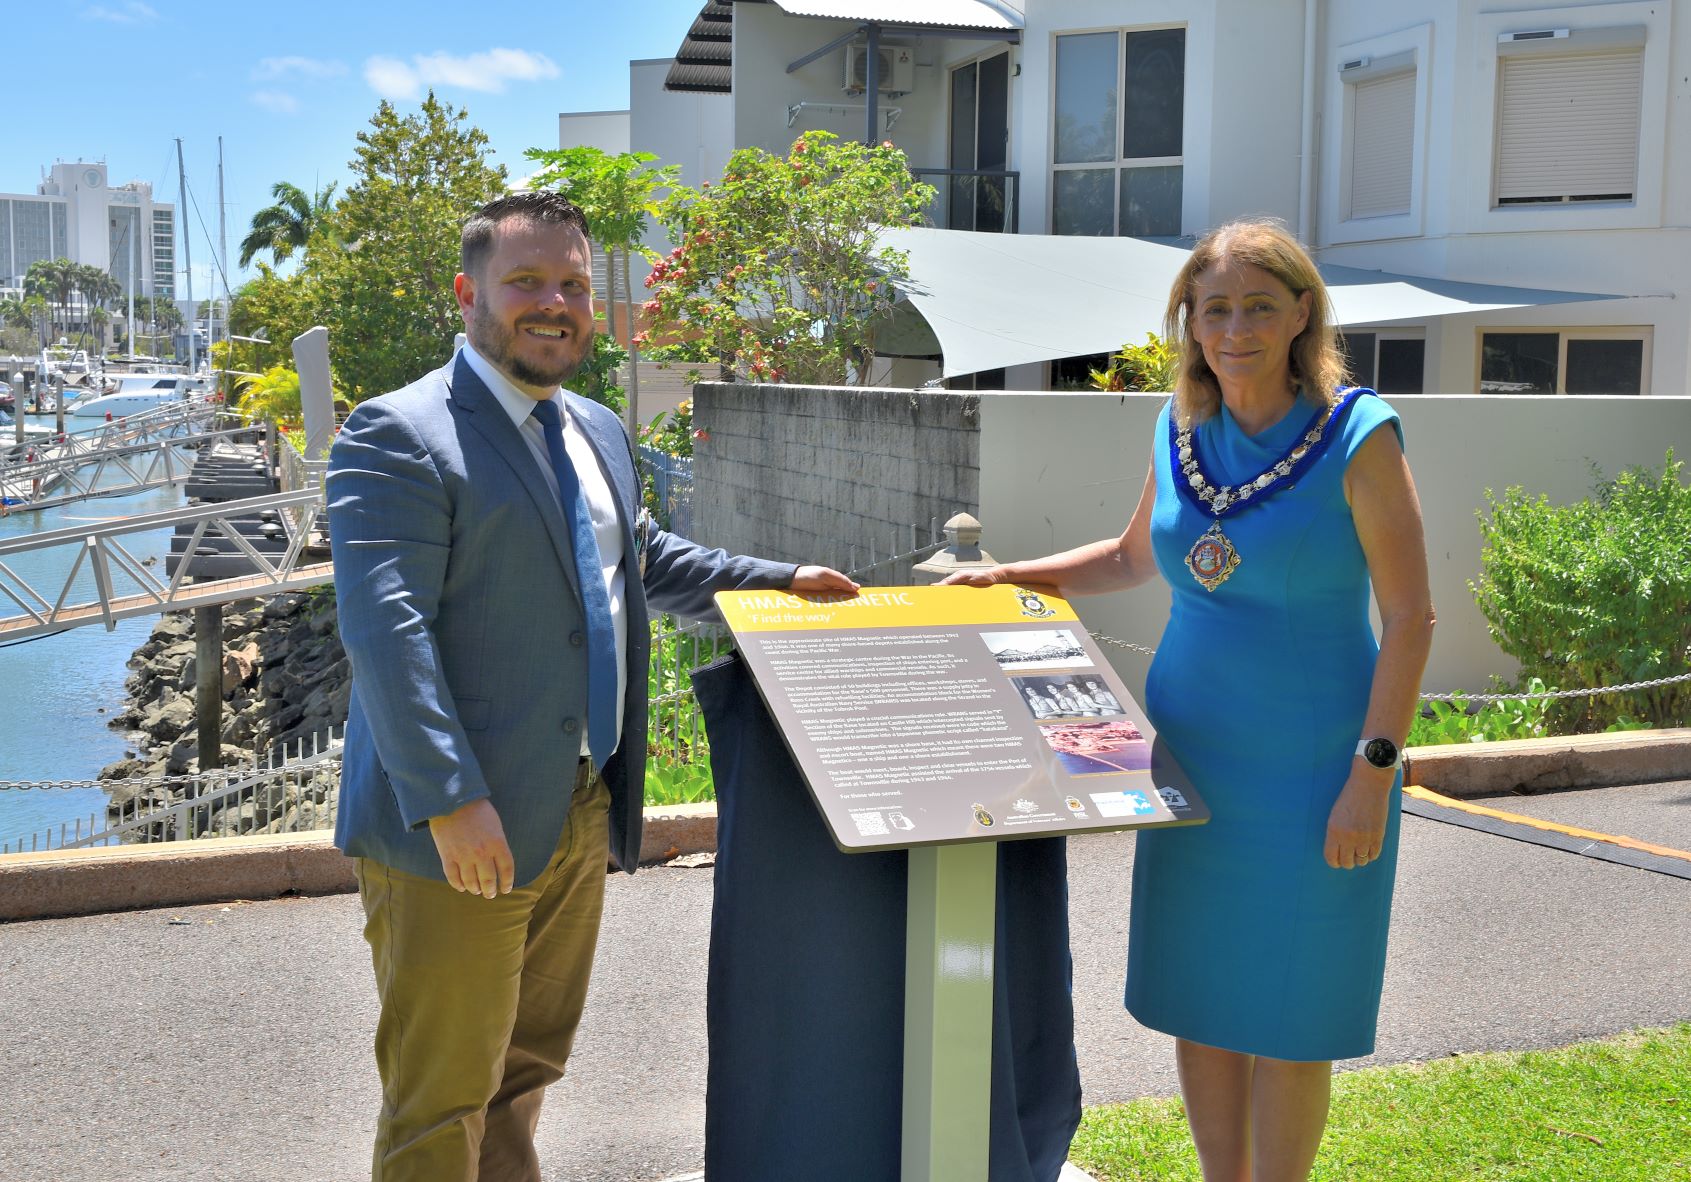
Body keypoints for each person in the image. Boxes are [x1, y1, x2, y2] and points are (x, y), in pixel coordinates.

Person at [326, 190, 856, 1181]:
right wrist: (450, 800)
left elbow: (639, 561)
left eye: (571, 283)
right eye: (525, 280)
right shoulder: (396, 433)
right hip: (460, 828)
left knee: (522, 1071)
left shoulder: (598, 430)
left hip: (575, 807)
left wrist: (778, 582)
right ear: (468, 292)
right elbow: (385, 631)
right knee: (441, 1099)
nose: (554, 302)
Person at [944, 219, 1433, 1181]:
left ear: (1302, 311)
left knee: (1293, 1016)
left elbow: (1410, 615)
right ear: (1188, 321)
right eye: (1215, 308)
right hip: (1191, 768)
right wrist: (1012, 574)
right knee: (1204, 1000)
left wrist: (1371, 773)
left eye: (1259, 304)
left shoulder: (1358, 434)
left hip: (1315, 772)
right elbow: (1134, 556)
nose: (1236, 326)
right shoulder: (1177, 428)